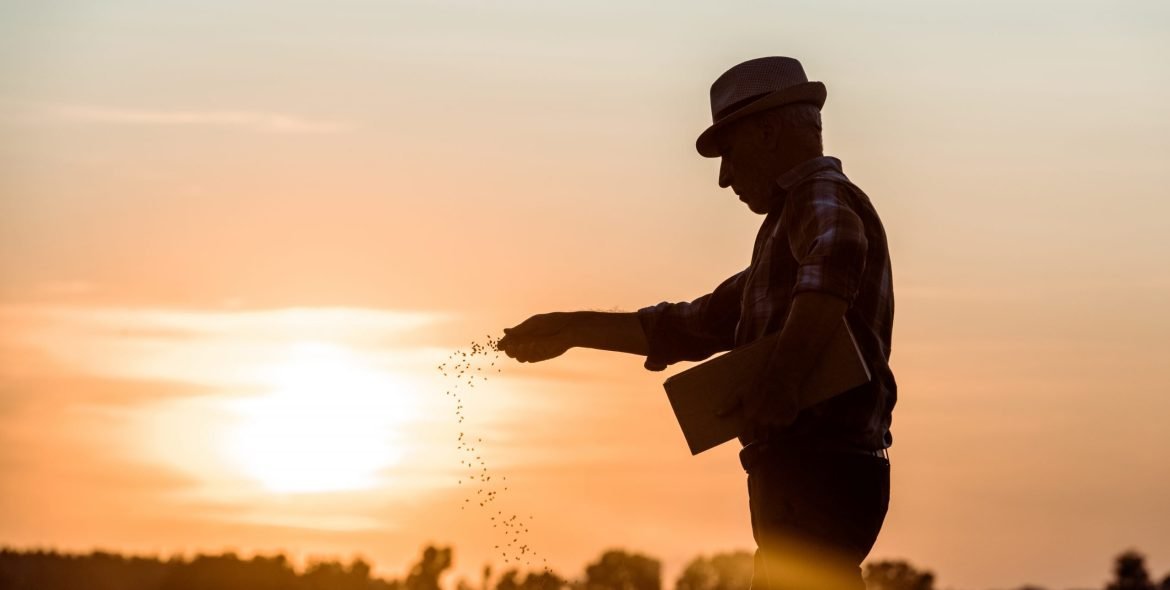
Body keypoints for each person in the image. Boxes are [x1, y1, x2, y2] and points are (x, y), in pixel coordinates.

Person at [497, 56, 896, 590]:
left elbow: (837, 255)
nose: (725, 177)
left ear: (771, 131)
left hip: (819, 469)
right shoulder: (781, 239)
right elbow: (691, 325)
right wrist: (572, 329)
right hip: (808, 475)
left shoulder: (816, 197)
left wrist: (781, 382)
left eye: (728, 153)